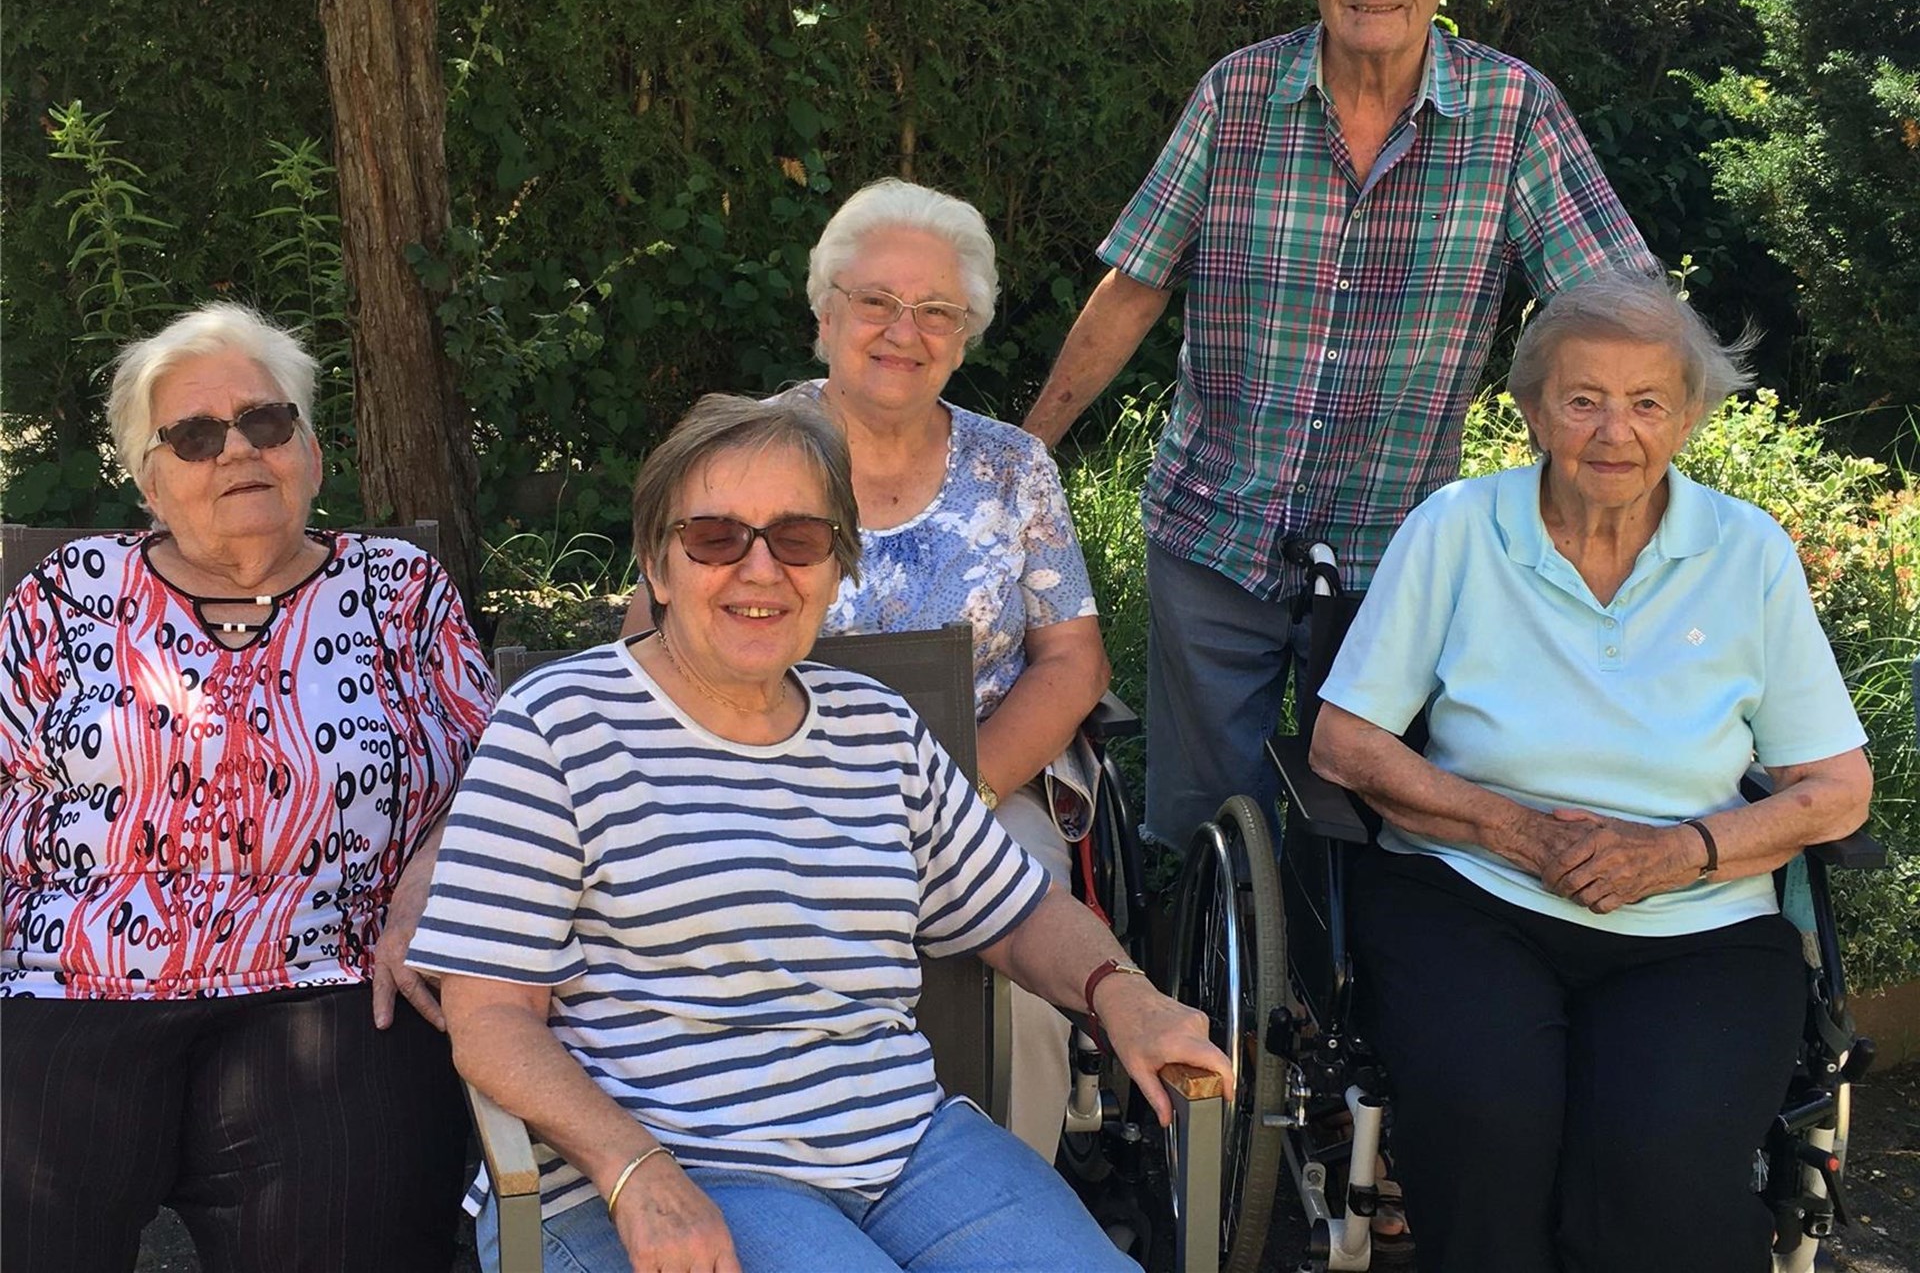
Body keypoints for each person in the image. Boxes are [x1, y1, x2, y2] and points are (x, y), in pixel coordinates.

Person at [414, 394, 1228, 1273]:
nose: (760, 569)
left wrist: (1122, 992)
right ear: (656, 563)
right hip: (658, 1165)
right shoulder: (556, 725)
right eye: (716, 537)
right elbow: (490, 1017)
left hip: (904, 1152)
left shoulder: (874, 724)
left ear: (838, 567)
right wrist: (632, 1166)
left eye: (798, 539)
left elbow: (1019, 911)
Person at [1020, 0, 1659, 853]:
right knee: (1198, 823)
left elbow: (1616, 311)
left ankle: (1333, 999)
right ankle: (1198, 995)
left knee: (1366, 829)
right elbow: (1137, 280)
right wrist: (1030, 449)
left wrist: (1613, 478)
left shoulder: (1513, 114)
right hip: (1214, 525)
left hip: (1396, 547)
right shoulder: (1237, 97)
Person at [1309, 270, 1874, 1272]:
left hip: (1698, 928)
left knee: (1659, 1180)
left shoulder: (1747, 555)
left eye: (1648, 402)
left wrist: (1681, 852)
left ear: (1690, 416)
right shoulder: (1456, 529)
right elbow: (1344, 745)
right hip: (1470, 897)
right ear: (1533, 411)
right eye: (1584, 400)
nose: (1616, 430)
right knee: (1487, 1140)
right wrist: (1517, 832)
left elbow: (1835, 789)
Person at [0, 301, 496, 1273]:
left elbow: (502, 783)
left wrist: (427, 883)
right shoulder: (67, 595)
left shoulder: (399, 591)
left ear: (309, 448)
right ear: (149, 477)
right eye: (193, 435)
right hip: (74, 979)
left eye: (264, 422)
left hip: (335, 982)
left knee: (352, 1238)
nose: (236, 452)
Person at [619, 177, 1108, 1160]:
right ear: (825, 311)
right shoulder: (739, 451)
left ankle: (1000, 1203)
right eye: (876, 302)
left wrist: (957, 790)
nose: (903, 330)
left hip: (979, 786)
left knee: (1021, 953)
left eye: (936, 310)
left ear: (965, 334)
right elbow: (648, 632)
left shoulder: (1014, 469)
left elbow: (1071, 660)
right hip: (751, 781)